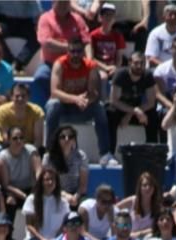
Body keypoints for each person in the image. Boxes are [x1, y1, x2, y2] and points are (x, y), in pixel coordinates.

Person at [45, 37, 117, 167]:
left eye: (78, 51)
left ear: (83, 52)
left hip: (83, 108)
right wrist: (75, 99)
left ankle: (105, 154)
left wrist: (86, 101)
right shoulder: (59, 64)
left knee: (100, 108)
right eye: (72, 51)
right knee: (52, 105)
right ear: (67, 51)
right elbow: (54, 92)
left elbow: (94, 93)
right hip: (63, 108)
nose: (75, 55)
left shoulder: (90, 66)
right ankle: (51, 151)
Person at [34, 0, 91, 105]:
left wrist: (90, 62)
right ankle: (46, 109)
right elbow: (46, 43)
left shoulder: (77, 19)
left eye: (66, 3)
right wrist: (72, 48)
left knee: (95, 75)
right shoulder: (45, 18)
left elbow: (87, 41)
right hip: (50, 64)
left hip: (75, 63)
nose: (64, 5)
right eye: (61, 2)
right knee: (40, 76)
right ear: (53, 2)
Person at [107, 50, 159, 155]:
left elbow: (151, 102)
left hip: (137, 111)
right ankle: (110, 153)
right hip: (121, 109)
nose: (139, 66)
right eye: (136, 63)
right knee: (110, 113)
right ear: (130, 63)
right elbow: (114, 100)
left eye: (142, 63)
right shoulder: (120, 74)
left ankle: (151, 153)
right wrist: (134, 110)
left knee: (153, 115)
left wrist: (133, 112)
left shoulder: (148, 76)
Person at [0, 0, 42, 74]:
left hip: (25, 21)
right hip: (2, 19)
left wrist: (39, 22)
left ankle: (19, 63)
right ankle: (7, 64)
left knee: (41, 35)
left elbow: (35, 6)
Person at [0, 125, 41, 214]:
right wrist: (24, 196)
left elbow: (39, 172)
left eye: (21, 138)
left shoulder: (31, 150)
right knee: (10, 201)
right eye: (15, 138)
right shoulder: (3, 157)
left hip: (31, 188)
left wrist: (35, 190)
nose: (19, 141)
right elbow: (6, 184)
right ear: (9, 140)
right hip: (12, 191)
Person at [42, 125, 89, 209]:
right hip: (54, 192)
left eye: (70, 137)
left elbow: (83, 186)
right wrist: (64, 195)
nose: (66, 139)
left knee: (85, 207)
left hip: (76, 194)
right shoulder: (48, 158)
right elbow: (46, 182)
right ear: (58, 140)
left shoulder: (81, 156)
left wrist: (75, 197)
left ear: (74, 140)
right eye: (63, 137)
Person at [0, 83, 45, 149]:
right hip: (6, 145)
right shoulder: (2, 111)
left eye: (23, 96)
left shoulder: (37, 111)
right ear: (11, 97)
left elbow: (38, 140)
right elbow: (5, 137)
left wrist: (27, 153)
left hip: (29, 146)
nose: (20, 99)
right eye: (17, 96)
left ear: (28, 97)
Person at [88, 3, 127, 88]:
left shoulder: (118, 36)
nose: (109, 18)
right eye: (106, 15)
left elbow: (119, 57)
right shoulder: (93, 35)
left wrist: (116, 68)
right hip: (98, 67)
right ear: (100, 17)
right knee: (103, 77)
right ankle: (103, 101)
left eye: (111, 15)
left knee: (121, 76)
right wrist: (105, 67)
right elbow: (91, 58)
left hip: (113, 67)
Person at [117, 170, 162, 238]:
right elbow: (114, 209)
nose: (148, 188)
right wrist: (122, 226)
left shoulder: (158, 207)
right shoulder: (132, 201)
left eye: (150, 185)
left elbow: (158, 228)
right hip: (129, 239)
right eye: (144, 185)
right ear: (140, 188)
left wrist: (139, 234)